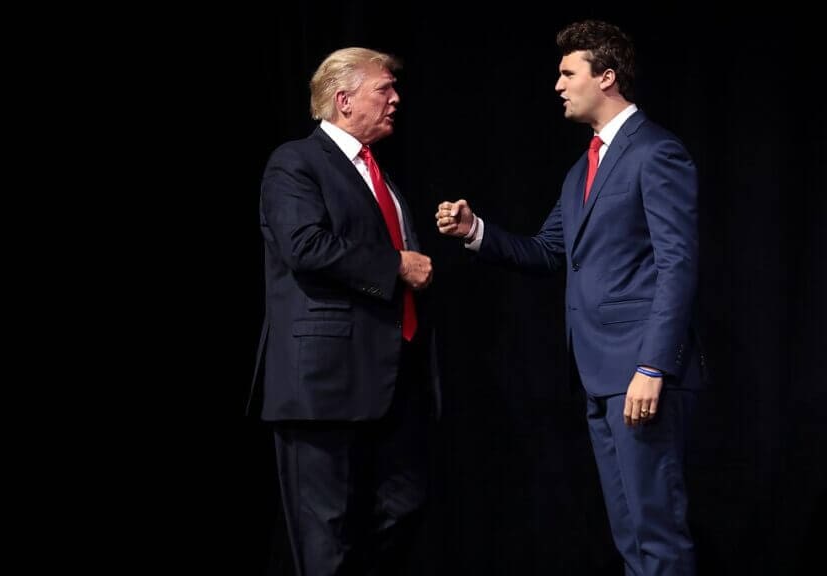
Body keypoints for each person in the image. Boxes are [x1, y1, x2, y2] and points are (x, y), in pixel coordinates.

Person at [437, 20, 704, 576]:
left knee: (656, 533)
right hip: (597, 374)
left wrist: (653, 364)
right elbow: (547, 252)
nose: (557, 85)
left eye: (567, 73)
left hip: (640, 373)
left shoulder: (656, 152)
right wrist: (474, 231)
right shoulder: (581, 169)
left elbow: (678, 266)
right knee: (630, 533)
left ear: (606, 77)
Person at [251, 47, 438, 576]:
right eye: (384, 89)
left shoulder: (382, 177)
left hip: (392, 380)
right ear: (343, 98)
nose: (396, 99)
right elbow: (303, 245)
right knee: (325, 537)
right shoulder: (295, 162)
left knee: (404, 507)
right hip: (323, 384)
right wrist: (395, 266)